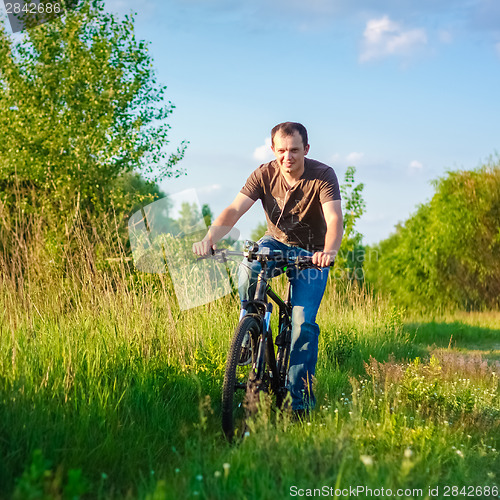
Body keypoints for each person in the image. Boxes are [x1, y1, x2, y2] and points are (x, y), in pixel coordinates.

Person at [193, 122, 343, 415]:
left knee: (303, 326)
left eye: (295, 150)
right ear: (274, 150)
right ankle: (250, 328)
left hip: (313, 253)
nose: (288, 157)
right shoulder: (264, 174)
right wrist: (209, 238)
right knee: (249, 263)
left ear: (306, 150)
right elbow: (234, 209)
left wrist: (329, 251)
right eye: (282, 151)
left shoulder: (323, 175)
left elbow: (335, 218)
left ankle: (297, 405)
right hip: (275, 242)